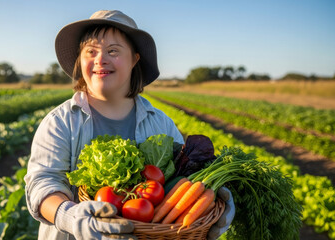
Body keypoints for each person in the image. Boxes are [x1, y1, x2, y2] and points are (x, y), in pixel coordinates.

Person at [24, 10, 234, 240]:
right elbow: (42, 183)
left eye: (113, 51)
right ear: (80, 60)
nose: (100, 59)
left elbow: (185, 179)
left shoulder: (161, 123)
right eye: (90, 52)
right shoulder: (60, 122)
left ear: (135, 59)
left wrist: (206, 203)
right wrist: (69, 216)